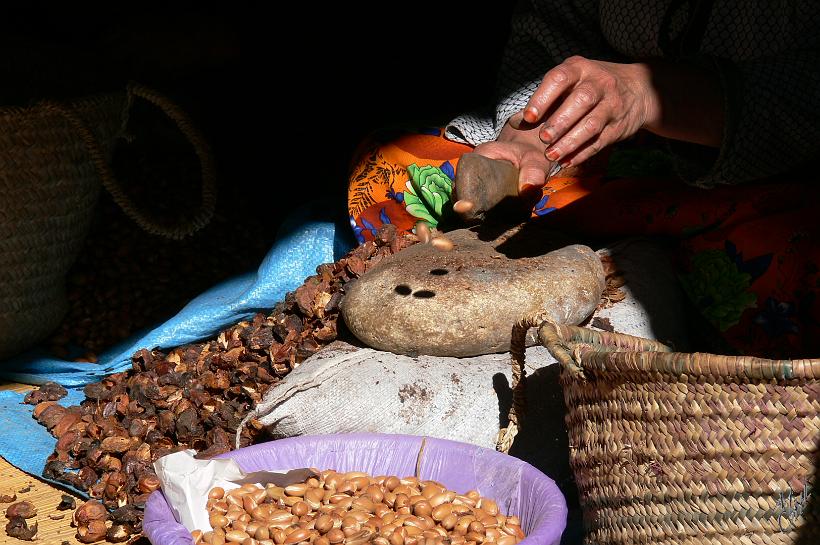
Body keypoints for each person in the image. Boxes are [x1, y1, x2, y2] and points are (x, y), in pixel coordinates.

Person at [348, 0, 820, 358]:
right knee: (394, 169)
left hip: (762, 180)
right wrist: (534, 135)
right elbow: (554, 32)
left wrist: (650, 96)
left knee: (787, 266)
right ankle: (637, 257)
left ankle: (658, 274)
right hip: (606, 164)